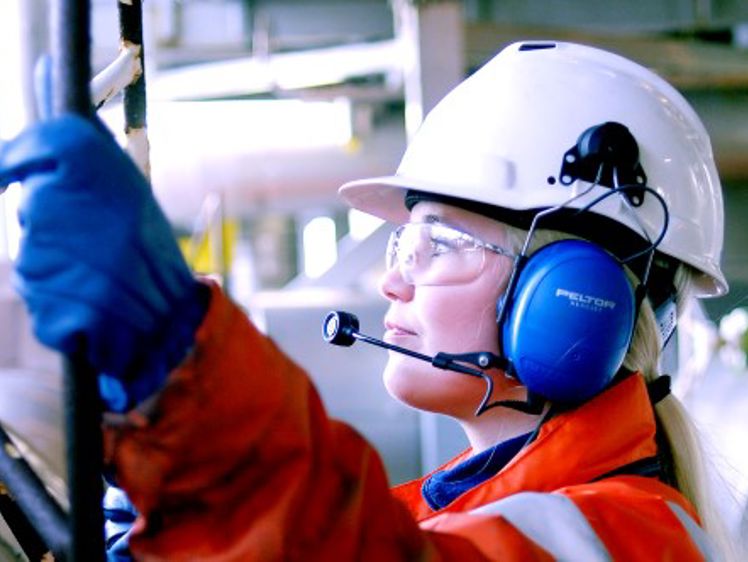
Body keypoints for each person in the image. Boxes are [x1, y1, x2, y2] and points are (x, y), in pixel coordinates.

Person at [0, 40, 735, 560]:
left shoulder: (630, 540)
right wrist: (157, 503)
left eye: (438, 243)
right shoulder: (453, 512)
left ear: (576, 301)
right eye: (402, 244)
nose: (392, 282)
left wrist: (179, 374)